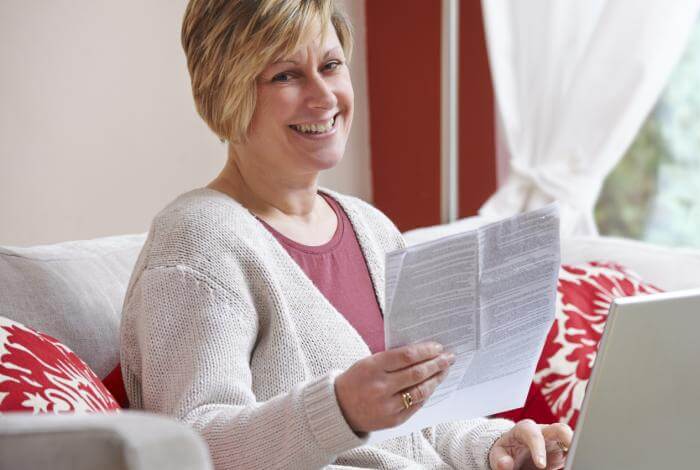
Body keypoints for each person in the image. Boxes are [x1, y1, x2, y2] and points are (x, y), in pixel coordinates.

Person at [119, 0, 572, 468]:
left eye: (331, 66)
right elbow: (194, 447)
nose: (324, 97)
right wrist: (338, 408)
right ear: (226, 92)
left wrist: (492, 446)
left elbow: (421, 418)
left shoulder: (371, 228)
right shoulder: (198, 242)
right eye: (285, 76)